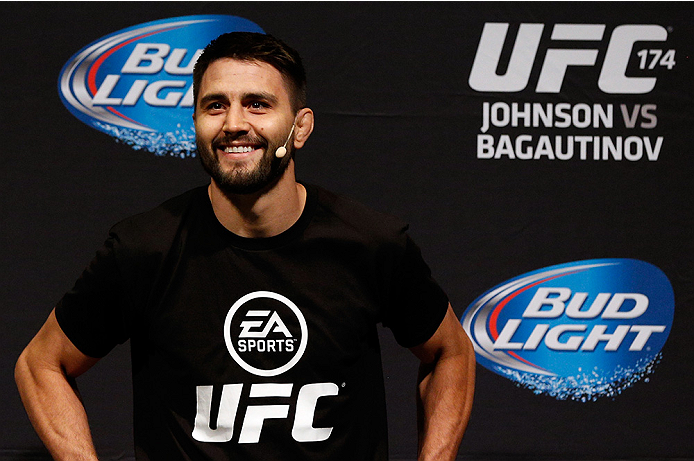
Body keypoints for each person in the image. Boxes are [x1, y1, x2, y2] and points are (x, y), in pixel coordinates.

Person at [15, 32, 475, 461]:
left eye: (257, 105)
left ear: (300, 128)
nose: (234, 124)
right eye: (215, 105)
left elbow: (450, 353)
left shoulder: (370, 242)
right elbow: (42, 365)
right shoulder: (143, 248)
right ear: (195, 121)